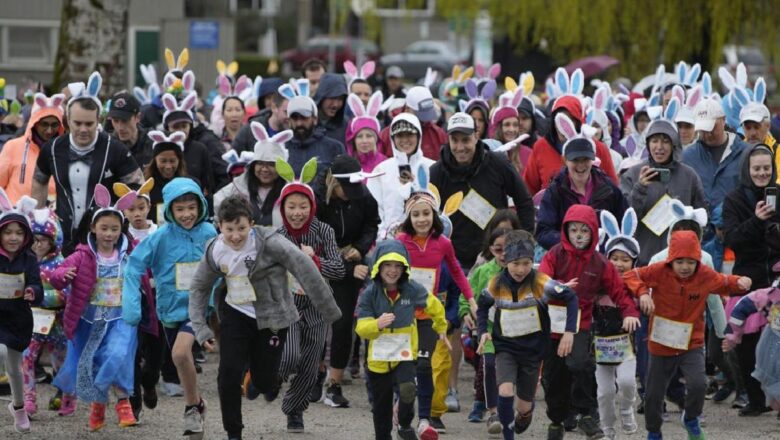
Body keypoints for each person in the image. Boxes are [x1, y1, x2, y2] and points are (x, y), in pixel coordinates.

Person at [188, 194, 341, 440]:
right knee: (227, 374)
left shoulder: (269, 242)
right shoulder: (215, 249)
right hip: (235, 314)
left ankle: (259, 379)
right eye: (229, 229)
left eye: (241, 228)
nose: (236, 236)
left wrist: (330, 311)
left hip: (272, 317)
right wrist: (201, 328)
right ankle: (234, 432)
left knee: (266, 379)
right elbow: (198, 287)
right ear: (220, 227)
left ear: (251, 223)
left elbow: (303, 266)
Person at [623, 230, 752, 440]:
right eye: (679, 261)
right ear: (670, 259)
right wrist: (643, 293)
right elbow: (630, 275)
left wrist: (740, 281)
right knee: (653, 394)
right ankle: (654, 431)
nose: (685, 267)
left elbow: (724, 281)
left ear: (698, 261)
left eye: (690, 262)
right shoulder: (658, 270)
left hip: (691, 343)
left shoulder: (704, 275)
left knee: (699, 384)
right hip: (660, 344)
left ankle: (690, 418)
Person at [122, 177, 217, 438]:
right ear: (169, 211)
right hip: (168, 309)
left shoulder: (209, 233)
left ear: (201, 206)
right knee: (179, 359)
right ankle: (197, 404)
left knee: (179, 354)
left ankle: (190, 409)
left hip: (197, 308)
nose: (187, 214)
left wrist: (217, 305)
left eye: (191, 207)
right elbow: (134, 267)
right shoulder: (160, 236)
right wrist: (131, 305)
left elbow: (221, 267)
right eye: (180, 209)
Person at [539, 204, 640, 440]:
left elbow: (619, 292)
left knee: (581, 364)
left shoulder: (600, 263)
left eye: (584, 231)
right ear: (566, 231)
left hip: (580, 323)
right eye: (574, 230)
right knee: (553, 376)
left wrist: (630, 313)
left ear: (594, 232)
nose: (579, 236)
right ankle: (557, 420)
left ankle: (586, 413)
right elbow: (541, 278)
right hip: (553, 322)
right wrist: (557, 288)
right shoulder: (555, 253)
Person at [49, 185, 139, 431]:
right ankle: (98, 406)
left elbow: (143, 272)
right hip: (89, 320)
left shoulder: (128, 255)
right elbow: (56, 274)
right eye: (104, 228)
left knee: (118, 355)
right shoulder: (82, 255)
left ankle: (123, 403)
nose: (109, 234)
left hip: (120, 318)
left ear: (121, 230)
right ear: (93, 228)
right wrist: (63, 275)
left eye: (114, 229)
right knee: (93, 362)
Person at [477, 230, 579, 440]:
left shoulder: (540, 282)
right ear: (505, 261)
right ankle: (508, 436)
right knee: (505, 391)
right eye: (515, 263)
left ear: (532, 261)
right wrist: (482, 332)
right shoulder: (496, 284)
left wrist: (569, 332)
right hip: (505, 348)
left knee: (523, 406)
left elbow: (571, 297)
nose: (521, 269)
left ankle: (524, 414)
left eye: (526, 263)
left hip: (533, 352)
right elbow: (482, 305)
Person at [396, 181, 477, 436]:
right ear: (409, 217)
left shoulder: (443, 243)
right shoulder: (400, 241)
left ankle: (425, 420)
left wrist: (471, 299)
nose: (421, 219)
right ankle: (403, 419)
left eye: (426, 213)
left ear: (435, 216)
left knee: (424, 365)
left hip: (429, 315)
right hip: (402, 314)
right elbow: (384, 272)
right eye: (416, 214)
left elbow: (457, 272)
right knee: (406, 370)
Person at [273, 157, 346, 432]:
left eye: (303, 206)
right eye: (291, 207)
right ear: (283, 208)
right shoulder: (277, 237)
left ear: (312, 207)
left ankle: (294, 410)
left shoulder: (324, 231)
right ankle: (271, 377)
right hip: (287, 306)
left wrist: (315, 261)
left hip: (317, 305)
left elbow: (339, 270)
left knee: (309, 363)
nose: (297, 212)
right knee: (290, 355)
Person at [32, 74, 143, 247]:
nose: (83, 129)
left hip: (105, 242)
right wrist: (38, 219)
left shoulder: (115, 149)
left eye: (89, 124)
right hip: (62, 238)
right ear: (68, 120)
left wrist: (121, 217)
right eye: (78, 123)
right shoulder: (52, 149)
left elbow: (138, 186)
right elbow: (39, 181)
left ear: (98, 120)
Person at [355, 239, 449, 440]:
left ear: (405, 267)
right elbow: (361, 328)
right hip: (378, 359)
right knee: (381, 409)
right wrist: (377, 324)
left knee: (407, 389)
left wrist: (441, 328)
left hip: (404, 354)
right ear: (378, 266)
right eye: (387, 265)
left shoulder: (411, 288)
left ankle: (405, 424)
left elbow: (435, 306)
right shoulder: (369, 294)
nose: (393, 270)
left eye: (398, 266)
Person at [430, 112, 535, 269]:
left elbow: (524, 201)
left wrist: (522, 242)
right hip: (454, 260)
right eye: (454, 140)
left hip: (495, 257)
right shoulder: (436, 172)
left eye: (465, 140)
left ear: (476, 136)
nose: (460, 147)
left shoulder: (498, 164)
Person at [315, 155, 379, 409]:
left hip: (353, 259)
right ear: (333, 182)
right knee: (317, 321)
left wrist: (360, 249)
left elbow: (372, 224)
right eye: (345, 190)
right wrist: (340, 257)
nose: (350, 195)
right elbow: (312, 234)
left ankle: (334, 382)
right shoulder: (318, 199)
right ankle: (314, 373)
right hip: (321, 262)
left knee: (342, 324)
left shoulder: (363, 196)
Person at [722, 144, 780, 415]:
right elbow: (732, 239)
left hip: (777, 279)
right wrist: (756, 220)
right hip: (749, 279)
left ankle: (775, 399)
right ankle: (755, 400)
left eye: (766, 168)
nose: (761, 173)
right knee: (746, 345)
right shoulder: (734, 199)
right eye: (756, 168)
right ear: (747, 169)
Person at [619, 117, 707, 265]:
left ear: (674, 144)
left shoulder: (689, 175)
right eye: (654, 141)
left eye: (665, 141)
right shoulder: (632, 174)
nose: (659, 147)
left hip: (679, 261)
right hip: (643, 260)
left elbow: (703, 214)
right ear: (647, 144)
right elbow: (626, 217)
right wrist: (640, 188)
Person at [535, 113, 627, 250]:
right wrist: (571, 242)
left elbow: (623, 226)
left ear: (592, 160)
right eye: (575, 160)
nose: (581, 165)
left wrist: (603, 243)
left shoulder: (608, 189)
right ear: (565, 160)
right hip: (567, 262)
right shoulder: (555, 190)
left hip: (600, 260)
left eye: (585, 160)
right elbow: (543, 232)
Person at [22, 208, 75, 418]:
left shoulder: (62, 263)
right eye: (34, 239)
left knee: (61, 362)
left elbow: (67, 294)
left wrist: (41, 296)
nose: (38, 244)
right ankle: (28, 398)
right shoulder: (25, 263)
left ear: (54, 241)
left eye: (44, 240)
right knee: (26, 357)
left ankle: (67, 397)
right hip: (32, 321)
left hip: (57, 322)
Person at [0, 193, 43, 433]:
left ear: (26, 235)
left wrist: (32, 292)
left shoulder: (29, 259)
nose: (13, 238)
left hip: (18, 318)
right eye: (8, 232)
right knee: (0, 352)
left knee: (15, 369)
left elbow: (38, 286)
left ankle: (18, 407)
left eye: (18, 232)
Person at [596, 209, 641, 439]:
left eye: (625, 259)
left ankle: (626, 409)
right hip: (600, 345)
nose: (619, 264)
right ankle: (607, 427)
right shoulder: (597, 284)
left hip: (626, 345)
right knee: (604, 392)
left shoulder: (637, 286)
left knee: (625, 382)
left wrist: (644, 298)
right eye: (614, 258)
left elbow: (645, 297)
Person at [460, 227, 509, 432]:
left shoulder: (523, 272)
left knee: (509, 372)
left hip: (514, 332)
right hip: (487, 329)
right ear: (490, 249)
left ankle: (517, 410)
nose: (504, 254)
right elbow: (466, 294)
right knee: (488, 365)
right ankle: (493, 413)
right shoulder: (483, 271)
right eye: (498, 250)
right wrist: (465, 312)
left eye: (509, 249)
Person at [523, 95, 618, 196]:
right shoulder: (541, 147)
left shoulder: (598, 148)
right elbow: (528, 190)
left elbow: (613, 190)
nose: (563, 126)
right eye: (560, 119)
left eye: (570, 119)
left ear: (579, 122)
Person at [368, 113, 434, 238]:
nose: (405, 140)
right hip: (391, 242)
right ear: (393, 139)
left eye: (409, 134)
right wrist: (383, 234)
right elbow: (373, 210)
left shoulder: (432, 167)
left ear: (418, 136)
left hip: (426, 241)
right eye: (399, 135)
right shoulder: (381, 170)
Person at [723, 273, 780, 414]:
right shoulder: (769, 297)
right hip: (774, 346)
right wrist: (732, 336)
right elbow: (741, 308)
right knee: (774, 378)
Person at [214, 122, 292, 225]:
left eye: (270, 164)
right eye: (260, 163)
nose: (264, 169)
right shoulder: (238, 187)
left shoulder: (289, 191)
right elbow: (217, 207)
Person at [682, 97, 750, 209]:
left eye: (712, 128)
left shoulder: (746, 153)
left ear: (723, 120)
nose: (708, 134)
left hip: (734, 223)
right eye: (703, 129)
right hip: (699, 224)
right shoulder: (688, 157)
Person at [0, 92, 63, 204]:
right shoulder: (13, 147)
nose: (49, 130)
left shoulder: (64, 151)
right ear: (35, 123)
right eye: (44, 124)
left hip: (51, 217)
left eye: (54, 125)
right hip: (16, 217)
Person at [161, 93, 215, 200]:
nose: (181, 131)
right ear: (167, 128)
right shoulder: (160, 150)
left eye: (184, 126)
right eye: (176, 127)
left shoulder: (200, 149)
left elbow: (208, 184)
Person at [285, 91, 346, 184]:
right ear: (289, 121)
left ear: (315, 119)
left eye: (304, 118)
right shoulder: (281, 147)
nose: (299, 123)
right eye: (295, 118)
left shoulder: (334, 147)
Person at [378, 86, 447, 161]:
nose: (425, 121)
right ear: (407, 109)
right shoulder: (386, 135)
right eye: (421, 115)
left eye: (428, 114)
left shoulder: (439, 135)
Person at [143, 131, 189, 224]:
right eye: (163, 161)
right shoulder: (146, 186)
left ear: (179, 161)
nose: (168, 166)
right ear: (155, 160)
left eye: (172, 161)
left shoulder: (187, 185)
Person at [107, 92, 154, 169]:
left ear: (138, 117)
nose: (120, 127)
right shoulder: (107, 145)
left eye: (125, 120)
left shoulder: (152, 142)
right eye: (115, 121)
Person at [345, 91, 387, 172]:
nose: (364, 141)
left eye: (369, 136)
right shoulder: (346, 164)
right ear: (354, 140)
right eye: (359, 136)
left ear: (376, 139)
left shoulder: (385, 163)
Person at [313, 73, 348, 144]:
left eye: (340, 99)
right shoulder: (306, 122)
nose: (335, 104)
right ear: (321, 97)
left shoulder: (346, 126)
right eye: (332, 98)